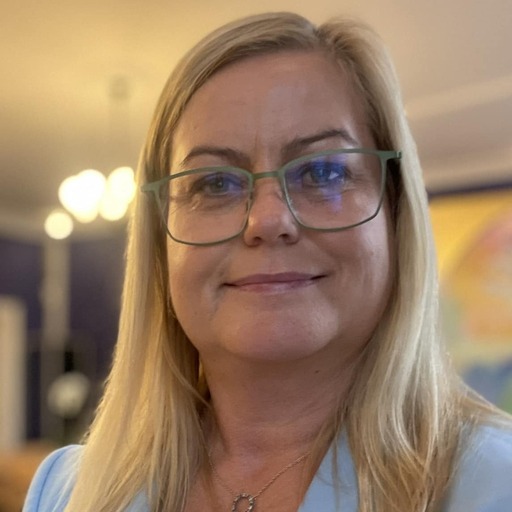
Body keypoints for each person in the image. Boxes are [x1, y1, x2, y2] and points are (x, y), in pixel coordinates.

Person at [23, 11, 512, 512]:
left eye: (323, 172)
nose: (267, 219)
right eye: (214, 183)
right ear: (160, 242)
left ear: (395, 214)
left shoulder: (497, 484)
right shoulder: (64, 490)